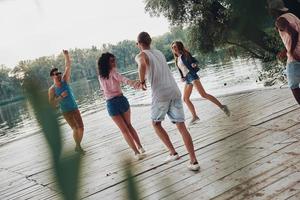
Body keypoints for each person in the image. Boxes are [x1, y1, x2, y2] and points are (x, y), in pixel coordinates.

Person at [135, 32, 200, 171]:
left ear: (138, 44)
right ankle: (194, 161)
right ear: (150, 41)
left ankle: (173, 152)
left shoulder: (141, 55)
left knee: (156, 123)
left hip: (160, 94)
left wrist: (141, 82)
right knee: (181, 126)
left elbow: (142, 65)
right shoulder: (159, 52)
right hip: (174, 91)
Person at [97, 52, 146, 160]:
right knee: (129, 126)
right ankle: (140, 147)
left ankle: (137, 153)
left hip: (111, 104)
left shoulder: (100, 76)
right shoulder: (113, 72)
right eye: (112, 61)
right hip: (121, 100)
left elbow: (103, 91)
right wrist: (136, 84)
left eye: (114, 60)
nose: (114, 62)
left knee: (124, 130)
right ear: (107, 63)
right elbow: (123, 79)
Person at [171, 41, 231, 125]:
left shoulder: (186, 54)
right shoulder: (177, 58)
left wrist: (194, 64)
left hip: (192, 76)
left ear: (179, 47)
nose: (174, 48)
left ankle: (222, 107)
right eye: (173, 47)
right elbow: (181, 69)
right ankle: (195, 117)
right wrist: (182, 77)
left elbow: (195, 61)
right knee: (185, 99)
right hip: (188, 79)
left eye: (175, 46)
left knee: (203, 94)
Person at [48, 50, 85, 154]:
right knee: (75, 128)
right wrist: (60, 97)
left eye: (59, 73)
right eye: (56, 74)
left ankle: (77, 146)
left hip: (75, 108)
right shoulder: (52, 89)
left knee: (81, 128)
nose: (59, 75)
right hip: (66, 111)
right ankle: (78, 147)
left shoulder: (65, 80)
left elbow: (68, 67)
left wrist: (67, 55)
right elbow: (51, 104)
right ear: (52, 77)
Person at [269, 0, 300, 104]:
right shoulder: (292, 15)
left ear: (274, 11)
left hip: (295, 57)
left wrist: (290, 52)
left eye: (270, 10)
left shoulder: (280, 20)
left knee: (293, 86)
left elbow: (294, 34)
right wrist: (285, 50)